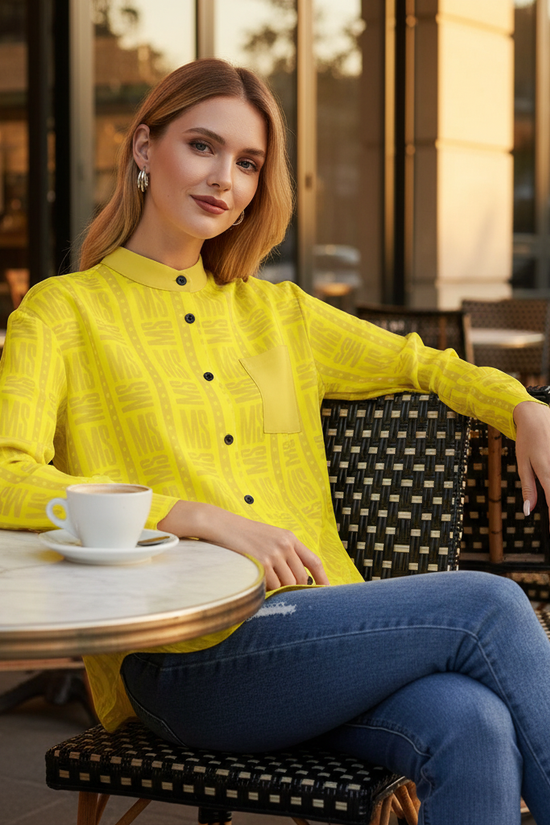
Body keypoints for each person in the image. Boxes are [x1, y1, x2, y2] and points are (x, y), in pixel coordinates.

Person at [0, 58, 549, 825]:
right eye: (202, 145)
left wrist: (521, 403)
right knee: (488, 604)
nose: (225, 176)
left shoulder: (281, 313)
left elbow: (423, 363)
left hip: (324, 632)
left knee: (472, 724)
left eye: (248, 162)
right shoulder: (62, 313)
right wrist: (190, 513)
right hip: (186, 656)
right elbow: (8, 476)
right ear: (143, 148)